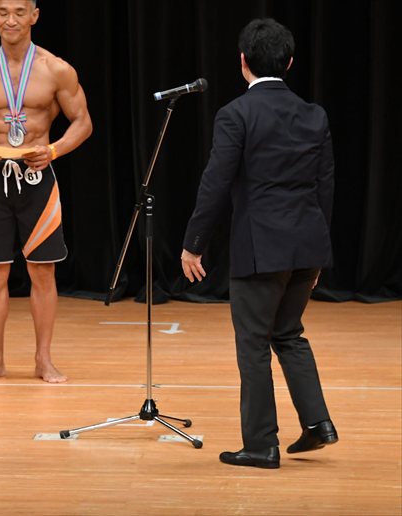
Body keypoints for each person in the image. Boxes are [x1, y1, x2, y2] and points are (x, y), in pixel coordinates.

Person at [181, 18, 338, 469]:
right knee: (288, 333)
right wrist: (317, 254)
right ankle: (318, 424)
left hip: (260, 247)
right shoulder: (314, 114)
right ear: (289, 63)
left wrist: (194, 244)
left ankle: (261, 444)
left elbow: (215, 184)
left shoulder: (236, 114)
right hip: (306, 244)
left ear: (243, 62)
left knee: (253, 343)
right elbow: (325, 186)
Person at [0, 0, 92, 383]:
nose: (11, 20)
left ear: (34, 15)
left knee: (43, 271)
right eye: (4, 12)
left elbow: (83, 121)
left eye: (20, 12)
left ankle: (44, 359)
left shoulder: (56, 69)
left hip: (37, 179)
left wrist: (54, 150)